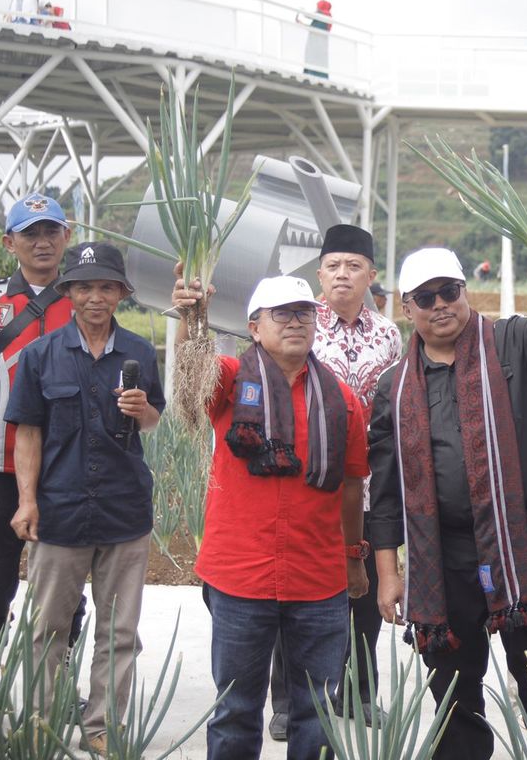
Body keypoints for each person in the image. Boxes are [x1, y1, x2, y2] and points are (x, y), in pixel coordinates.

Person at [368, 244, 527, 760]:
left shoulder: (511, 341)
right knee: (452, 687)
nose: (440, 304)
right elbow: (384, 490)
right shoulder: (393, 387)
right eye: (426, 297)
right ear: (407, 306)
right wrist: (389, 572)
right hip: (441, 556)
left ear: (465, 292)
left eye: (450, 291)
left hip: (520, 544)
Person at [171, 273, 370, 760]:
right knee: (236, 710)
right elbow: (189, 371)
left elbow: (351, 485)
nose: (296, 322)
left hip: (318, 580)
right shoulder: (230, 381)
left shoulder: (341, 399)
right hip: (240, 577)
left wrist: (353, 557)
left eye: (304, 313)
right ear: (254, 328)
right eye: (281, 314)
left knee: (316, 712)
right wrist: (189, 316)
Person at [6, 242, 165, 755]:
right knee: (47, 627)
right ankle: (41, 717)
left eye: (106, 287)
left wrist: (142, 411)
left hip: (124, 509)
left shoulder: (139, 353)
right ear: (68, 293)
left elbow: (155, 420)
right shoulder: (39, 355)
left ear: (121, 293)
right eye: (84, 287)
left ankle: (102, 726)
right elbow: (27, 433)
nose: (95, 297)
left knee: (120, 630)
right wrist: (26, 501)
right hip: (60, 507)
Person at [267, 225, 401, 741]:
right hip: (309, 485)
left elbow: (390, 409)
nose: (343, 274)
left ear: (370, 275)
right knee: (295, 592)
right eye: (333, 266)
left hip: (368, 484)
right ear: (319, 273)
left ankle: (359, 691)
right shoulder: (299, 325)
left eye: (353, 266)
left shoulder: (388, 334)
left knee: (364, 593)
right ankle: (287, 700)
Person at [0, 194, 83, 650]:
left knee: (65, 593)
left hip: (69, 470)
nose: (42, 242)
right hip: (0, 470)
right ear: (8, 242)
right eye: (30, 233)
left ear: (66, 236)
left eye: (51, 231)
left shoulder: (84, 300)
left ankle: (57, 689)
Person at [298, 0, 332, 78]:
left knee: (314, 59)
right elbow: (312, 28)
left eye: (318, 6)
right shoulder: (324, 17)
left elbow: (307, 15)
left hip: (316, 44)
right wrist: (301, 23)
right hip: (317, 44)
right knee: (316, 60)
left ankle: (312, 75)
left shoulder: (323, 15)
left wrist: (301, 10)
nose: (316, 8)